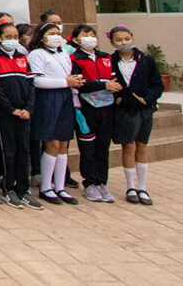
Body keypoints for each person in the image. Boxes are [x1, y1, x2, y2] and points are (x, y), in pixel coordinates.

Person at [0, 22, 42, 210]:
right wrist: (10, 109)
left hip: (24, 112)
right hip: (5, 112)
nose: (12, 40)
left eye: (15, 37)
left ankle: (23, 189)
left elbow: (30, 85)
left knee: (23, 149)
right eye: (8, 37)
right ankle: (8, 187)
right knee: (8, 150)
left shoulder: (22, 57)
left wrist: (28, 108)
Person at [108, 25, 163, 206]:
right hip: (124, 111)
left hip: (144, 109)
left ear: (132, 38)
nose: (124, 43)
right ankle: (130, 186)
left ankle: (143, 187)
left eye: (126, 39)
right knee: (128, 146)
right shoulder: (110, 61)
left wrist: (147, 100)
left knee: (142, 146)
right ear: (112, 42)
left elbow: (157, 85)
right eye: (119, 40)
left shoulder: (146, 60)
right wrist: (118, 99)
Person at [28, 22, 82, 205]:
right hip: (48, 99)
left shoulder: (64, 53)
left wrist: (73, 81)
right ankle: (46, 187)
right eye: (51, 33)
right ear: (42, 36)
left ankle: (60, 186)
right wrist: (65, 82)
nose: (56, 36)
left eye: (58, 33)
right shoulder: (36, 54)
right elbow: (37, 80)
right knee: (51, 143)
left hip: (66, 97)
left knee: (63, 143)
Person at [66, 24, 117, 203]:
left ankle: (101, 181)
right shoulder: (74, 59)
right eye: (85, 34)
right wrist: (103, 85)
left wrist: (111, 87)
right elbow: (79, 84)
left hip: (106, 108)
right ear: (76, 40)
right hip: (86, 109)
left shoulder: (106, 58)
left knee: (103, 146)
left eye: (92, 34)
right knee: (87, 146)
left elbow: (113, 79)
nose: (90, 37)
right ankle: (90, 182)